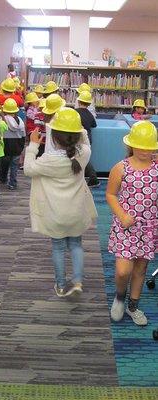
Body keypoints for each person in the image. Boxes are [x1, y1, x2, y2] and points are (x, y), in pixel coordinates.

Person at [24, 108, 97, 297]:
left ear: (53, 136)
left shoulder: (48, 160)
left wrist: (32, 145)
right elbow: (85, 141)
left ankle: (61, 285)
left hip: (55, 214)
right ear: (77, 134)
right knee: (76, 245)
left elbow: (28, 169)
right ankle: (78, 281)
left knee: (58, 248)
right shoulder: (84, 153)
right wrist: (79, 130)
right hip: (77, 212)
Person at [107, 120, 157, 326]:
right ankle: (120, 296)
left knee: (140, 269)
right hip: (125, 227)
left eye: (150, 148)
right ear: (130, 145)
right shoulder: (121, 168)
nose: (145, 152)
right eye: (140, 146)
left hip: (149, 227)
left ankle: (133, 305)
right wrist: (122, 215)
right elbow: (110, 194)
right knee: (123, 271)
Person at [0, 98, 25, 190]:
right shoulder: (20, 121)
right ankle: (12, 184)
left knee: (4, 165)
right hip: (17, 148)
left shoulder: (3, 120)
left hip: (6, 148)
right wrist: (21, 147)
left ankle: (3, 178)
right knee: (14, 167)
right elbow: (23, 135)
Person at [75, 90, 99, 188]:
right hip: (88, 138)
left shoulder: (75, 112)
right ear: (89, 104)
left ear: (79, 102)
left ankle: (93, 178)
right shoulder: (89, 114)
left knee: (79, 157)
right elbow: (94, 124)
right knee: (84, 156)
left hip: (78, 138)